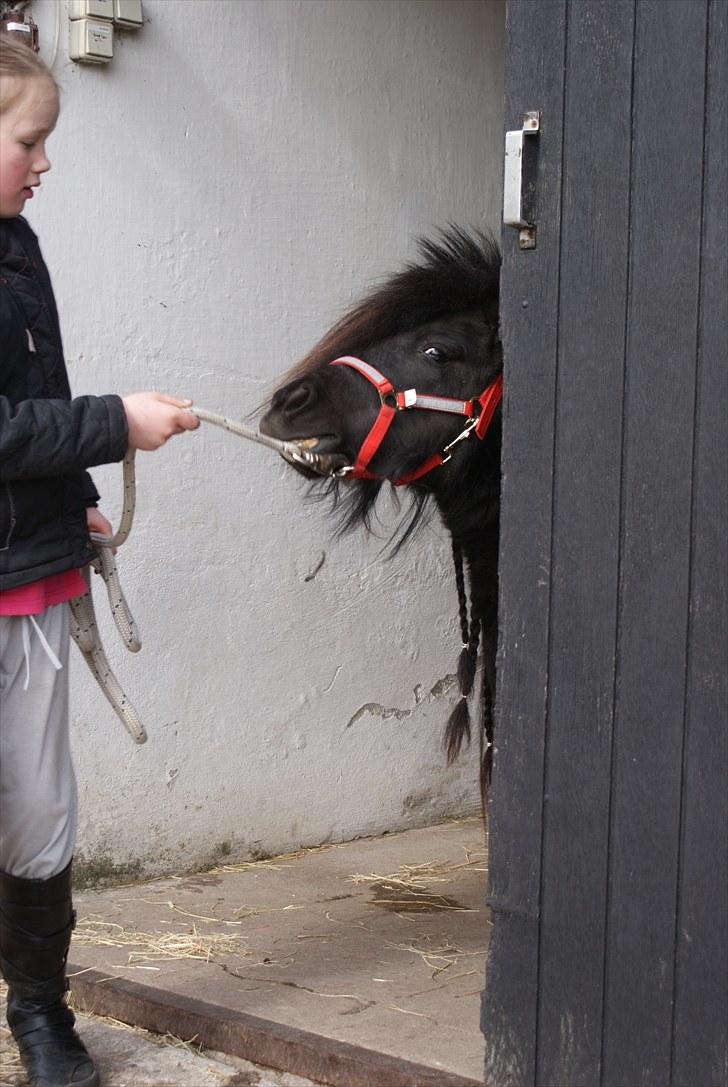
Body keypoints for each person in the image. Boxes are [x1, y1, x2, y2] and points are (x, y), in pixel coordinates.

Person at [0, 36, 199, 1087]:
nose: (43, 162)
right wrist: (116, 423)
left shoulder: (18, 245)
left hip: (28, 574)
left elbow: (40, 387)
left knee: (39, 805)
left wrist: (77, 499)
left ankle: (41, 1015)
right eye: (30, 140)